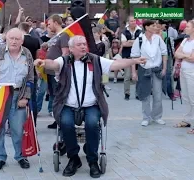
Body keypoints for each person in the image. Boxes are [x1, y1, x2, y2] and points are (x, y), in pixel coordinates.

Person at [34, 35, 146, 178]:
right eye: (79, 44)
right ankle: (74, 158)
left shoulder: (95, 59)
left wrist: (135, 60)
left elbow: (114, 64)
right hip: (68, 104)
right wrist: (43, 62)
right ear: (71, 48)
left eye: (84, 44)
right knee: (66, 124)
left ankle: (92, 160)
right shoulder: (64, 60)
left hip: (91, 105)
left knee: (93, 124)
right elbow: (53, 64)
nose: (83, 46)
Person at [0, 28, 34, 171]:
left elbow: (30, 78)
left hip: (18, 96)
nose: (14, 41)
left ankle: (21, 156)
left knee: (18, 129)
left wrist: (26, 97)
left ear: (22, 41)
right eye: (11, 38)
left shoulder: (27, 54)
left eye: (17, 39)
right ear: (7, 39)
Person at [131, 20, 168, 127]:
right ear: (146, 27)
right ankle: (145, 117)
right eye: (153, 25)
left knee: (157, 94)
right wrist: (134, 72)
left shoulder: (158, 39)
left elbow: (164, 53)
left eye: (156, 25)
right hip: (144, 70)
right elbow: (134, 57)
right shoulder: (139, 40)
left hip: (156, 69)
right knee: (145, 94)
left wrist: (164, 68)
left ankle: (157, 116)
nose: (155, 27)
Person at [174, 20, 194, 133]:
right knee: (185, 97)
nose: (185, 28)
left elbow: (193, 59)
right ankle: (187, 120)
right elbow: (176, 53)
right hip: (183, 71)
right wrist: (186, 55)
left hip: (192, 73)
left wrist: (183, 56)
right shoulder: (185, 40)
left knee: (193, 98)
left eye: (188, 26)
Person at [121, 16, 142, 100]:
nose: (133, 22)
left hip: (137, 56)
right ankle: (127, 93)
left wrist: (129, 41)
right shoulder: (124, 32)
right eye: (131, 21)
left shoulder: (140, 31)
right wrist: (134, 41)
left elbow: (140, 42)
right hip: (127, 56)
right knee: (127, 76)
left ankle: (137, 93)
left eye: (134, 21)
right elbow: (124, 44)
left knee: (137, 75)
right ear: (128, 22)